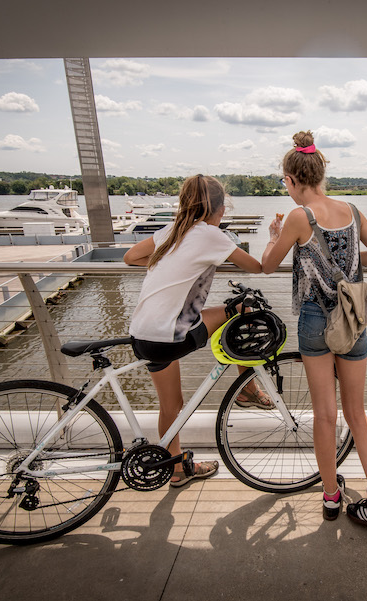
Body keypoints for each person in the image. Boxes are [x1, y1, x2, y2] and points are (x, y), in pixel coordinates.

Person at [261, 131, 367, 533]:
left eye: (285, 182)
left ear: (292, 179)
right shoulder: (352, 210)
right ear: (321, 173)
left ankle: (331, 496)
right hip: (352, 320)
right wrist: (350, 262)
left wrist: (274, 236)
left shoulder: (298, 217)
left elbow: (269, 264)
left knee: (324, 415)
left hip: (315, 320)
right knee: (357, 415)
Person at [124, 175, 268, 487]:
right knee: (244, 308)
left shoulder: (171, 231)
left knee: (171, 406)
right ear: (219, 209)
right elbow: (256, 266)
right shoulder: (210, 235)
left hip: (143, 332)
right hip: (168, 337)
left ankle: (175, 470)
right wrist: (274, 237)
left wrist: (173, 258)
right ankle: (248, 388)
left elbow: (130, 257)